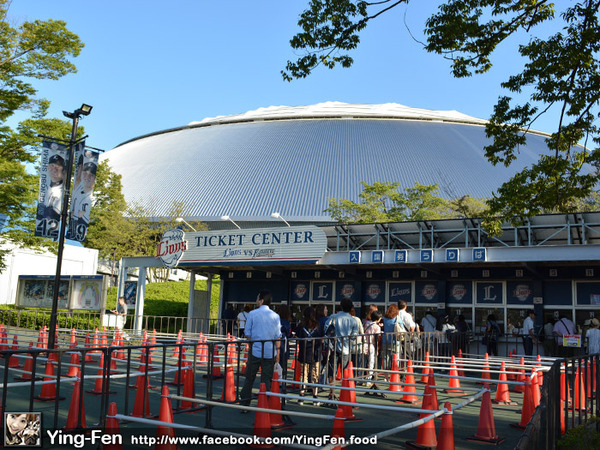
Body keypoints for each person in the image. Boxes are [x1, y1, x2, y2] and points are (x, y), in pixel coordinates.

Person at [239, 290, 281, 411]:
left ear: (261, 301)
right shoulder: (275, 316)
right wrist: (277, 354)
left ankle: (245, 403)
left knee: (249, 377)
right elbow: (278, 336)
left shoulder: (253, 314)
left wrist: (252, 343)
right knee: (266, 379)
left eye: (258, 298)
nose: (256, 301)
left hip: (255, 350)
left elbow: (247, 333)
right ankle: (265, 404)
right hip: (269, 352)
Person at [323, 297, 358, 400]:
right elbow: (354, 335)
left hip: (333, 347)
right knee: (345, 372)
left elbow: (326, 329)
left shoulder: (334, 317)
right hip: (346, 348)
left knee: (332, 371)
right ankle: (344, 393)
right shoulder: (353, 320)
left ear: (341, 306)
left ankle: (332, 392)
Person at [296, 306, 323, 405]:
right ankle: (315, 396)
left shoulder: (301, 326)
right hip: (315, 354)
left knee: (303, 375)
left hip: (303, 353)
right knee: (315, 375)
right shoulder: (318, 326)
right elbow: (322, 338)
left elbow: (297, 336)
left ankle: (301, 396)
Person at [37, 154, 65, 222]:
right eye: (52, 166)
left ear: (63, 170)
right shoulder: (45, 187)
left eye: (58, 166)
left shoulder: (63, 191)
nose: (54, 169)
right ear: (48, 167)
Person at [363, 310, 383, 386]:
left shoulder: (366, 323)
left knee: (363, 363)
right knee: (371, 363)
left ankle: (361, 379)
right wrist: (377, 349)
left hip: (364, 344)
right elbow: (376, 339)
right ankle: (368, 380)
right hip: (371, 345)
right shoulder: (377, 327)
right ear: (378, 318)